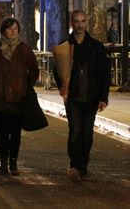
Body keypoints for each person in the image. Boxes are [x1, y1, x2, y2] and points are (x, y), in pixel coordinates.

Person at [53, 10, 110, 182]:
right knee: (75, 131)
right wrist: (63, 88)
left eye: (83, 21)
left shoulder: (96, 47)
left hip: (91, 97)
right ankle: (74, 165)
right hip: (73, 97)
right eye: (77, 21)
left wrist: (103, 97)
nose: (80, 25)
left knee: (87, 133)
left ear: (87, 23)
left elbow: (104, 74)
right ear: (72, 23)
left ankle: (83, 164)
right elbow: (58, 71)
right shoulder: (64, 46)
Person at [0, 18, 39, 176]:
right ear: (3, 32)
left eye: (15, 28)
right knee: (3, 131)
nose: (13, 31)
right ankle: (4, 163)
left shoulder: (24, 49)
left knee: (15, 132)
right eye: (9, 29)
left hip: (18, 96)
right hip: (0, 97)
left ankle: (13, 162)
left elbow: (34, 70)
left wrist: (26, 86)